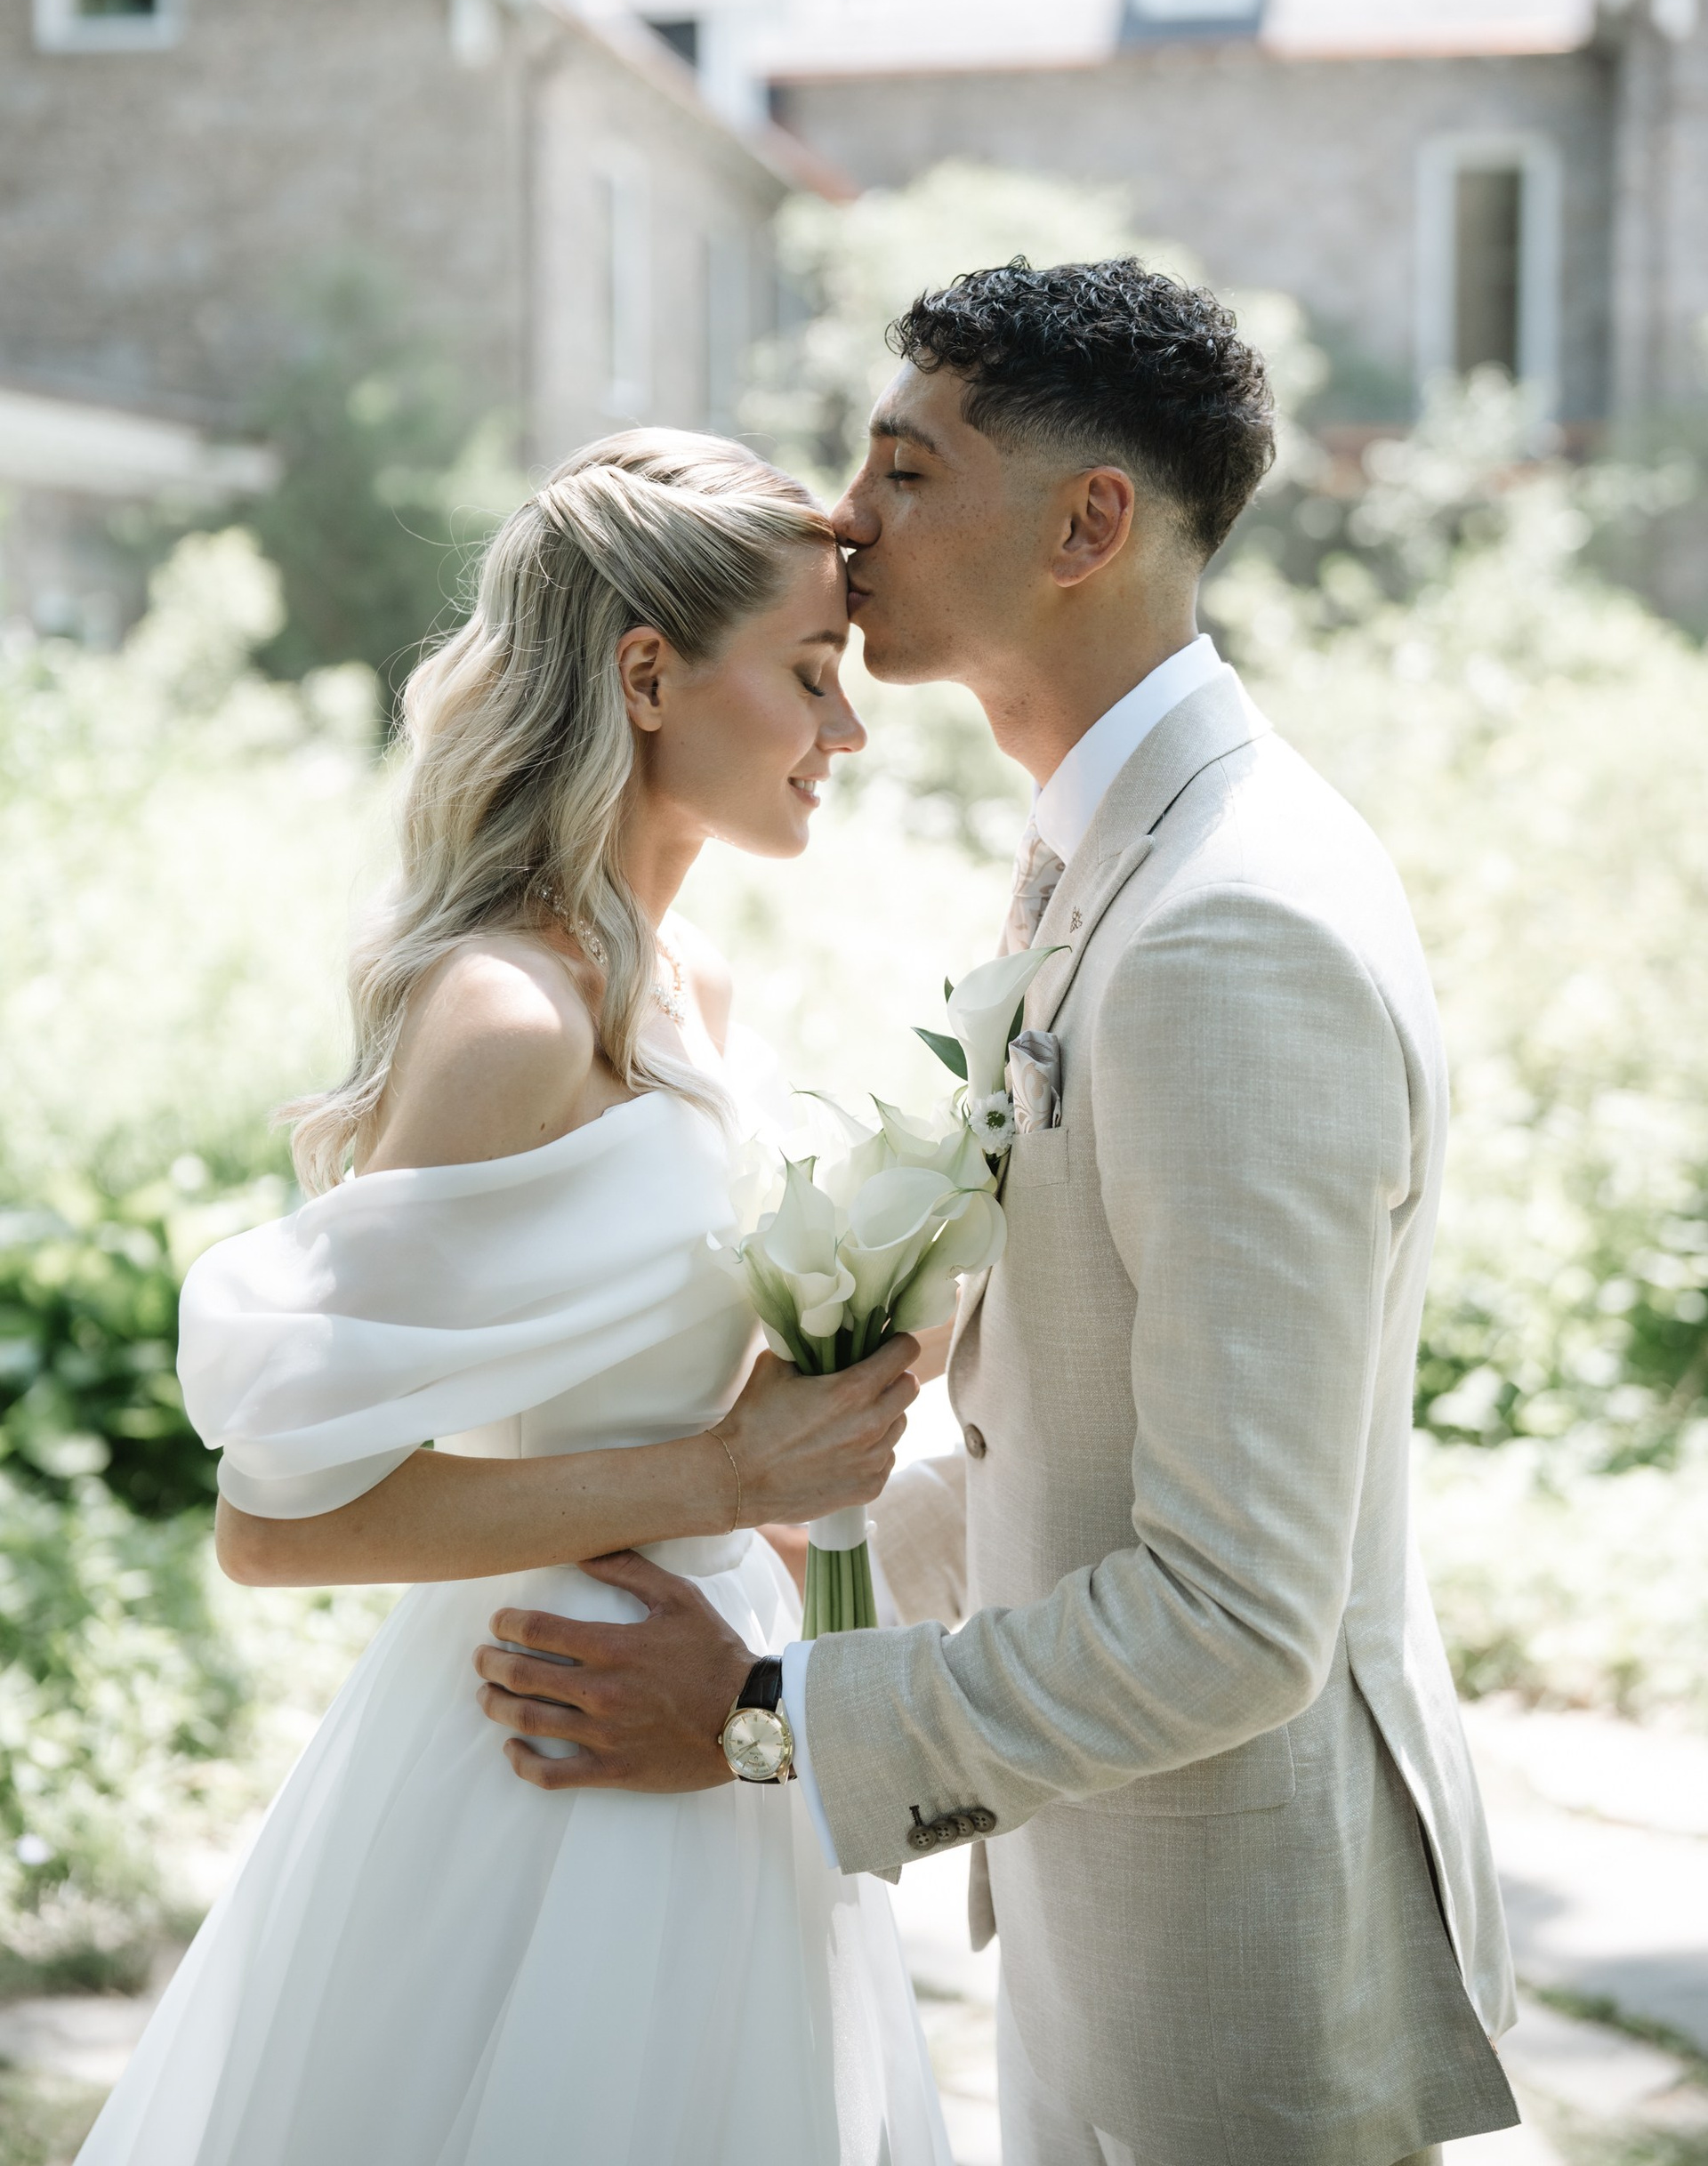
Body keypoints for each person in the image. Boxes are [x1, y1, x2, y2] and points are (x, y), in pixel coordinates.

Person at [475, 262, 1525, 2166]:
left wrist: (765, 1714)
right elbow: (1085, 1435)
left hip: (1233, 1992)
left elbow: (1237, 1610)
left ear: (1087, 525)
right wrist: (794, 1525)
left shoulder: (1229, 929)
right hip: (1097, 1912)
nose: (842, 521)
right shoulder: (1113, 856)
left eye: (904, 470)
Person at [76, 431, 949, 2166]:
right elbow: (277, 1523)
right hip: (541, 1728)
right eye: (809, 672)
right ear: (649, 677)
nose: (847, 729)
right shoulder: (507, 1017)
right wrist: (722, 1475)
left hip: (712, 1704)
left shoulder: (692, 983)